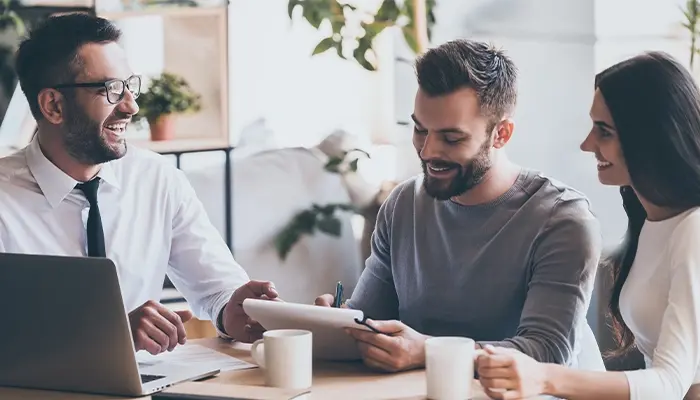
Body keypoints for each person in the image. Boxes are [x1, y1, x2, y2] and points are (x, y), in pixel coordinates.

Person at [315, 39, 604, 373]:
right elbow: (370, 321)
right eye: (420, 130)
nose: (427, 151)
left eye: (452, 138)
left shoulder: (562, 221)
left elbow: (547, 352)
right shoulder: (403, 205)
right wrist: (335, 322)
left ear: (502, 134)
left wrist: (430, 351)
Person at [0, 13, 275, 356]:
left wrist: (232, 311)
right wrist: (109, 336)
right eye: (111, 90)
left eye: (130, 85)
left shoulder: (157, 180)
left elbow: (217, 290)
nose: (131, 105)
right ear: (53, 105)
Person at [475, 51, 700, 400]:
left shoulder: (694, 229)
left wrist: (545, 378)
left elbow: (670, 384)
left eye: (603, 131)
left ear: (651, 137)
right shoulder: (651, 219)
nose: (587, 144)